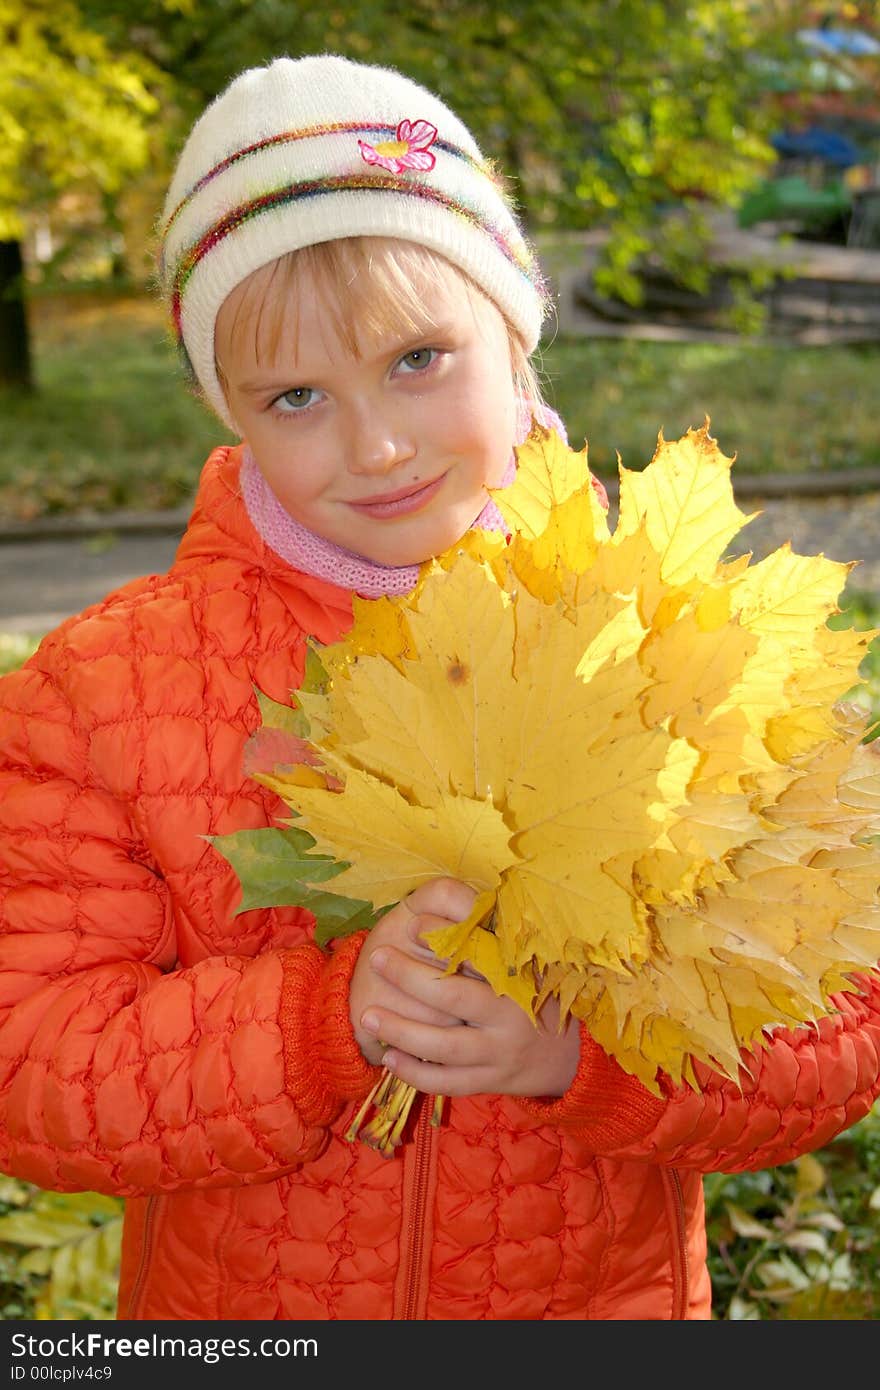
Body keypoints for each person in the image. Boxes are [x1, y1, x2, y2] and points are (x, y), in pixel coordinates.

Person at [0, 52, 878, 1325]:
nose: (378, 444)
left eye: (418, 359)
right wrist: (317, 1021)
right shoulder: (101, 693)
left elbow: (838, 1026)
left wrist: (584, 1062)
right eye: (296, 395)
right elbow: (28, 1063)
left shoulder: (671, 639)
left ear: (512, 332)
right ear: (225, 409)